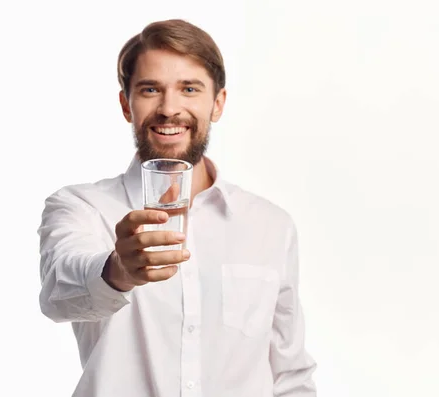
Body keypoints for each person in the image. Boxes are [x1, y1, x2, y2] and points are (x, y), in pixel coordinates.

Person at [38, 18, 317, 397]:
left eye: (189, 88)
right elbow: (59, 294)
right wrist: (118, 270)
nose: (170, 108)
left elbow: (290, 376)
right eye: (151, 89)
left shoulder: (270, 226)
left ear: (217, 103)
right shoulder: (81, 207)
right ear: (126, 104)